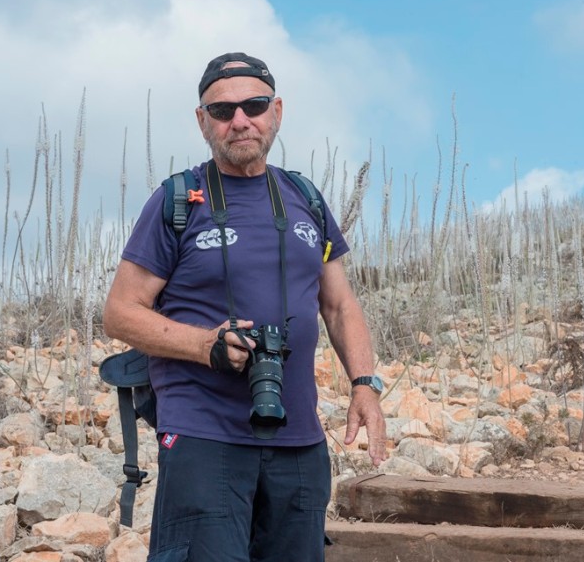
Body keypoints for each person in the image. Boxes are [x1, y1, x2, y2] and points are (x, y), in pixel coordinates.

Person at [103, 52, 387, 562]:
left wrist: (364, 384)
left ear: (276, 111)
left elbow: (340, 304)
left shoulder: (305, 197)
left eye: (254, 105)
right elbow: (120, 312)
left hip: (299, 437)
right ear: (202, 121)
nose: (239, 120)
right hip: (203, 434)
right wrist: (205, 344)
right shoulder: (176, 200)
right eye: (221, 111)